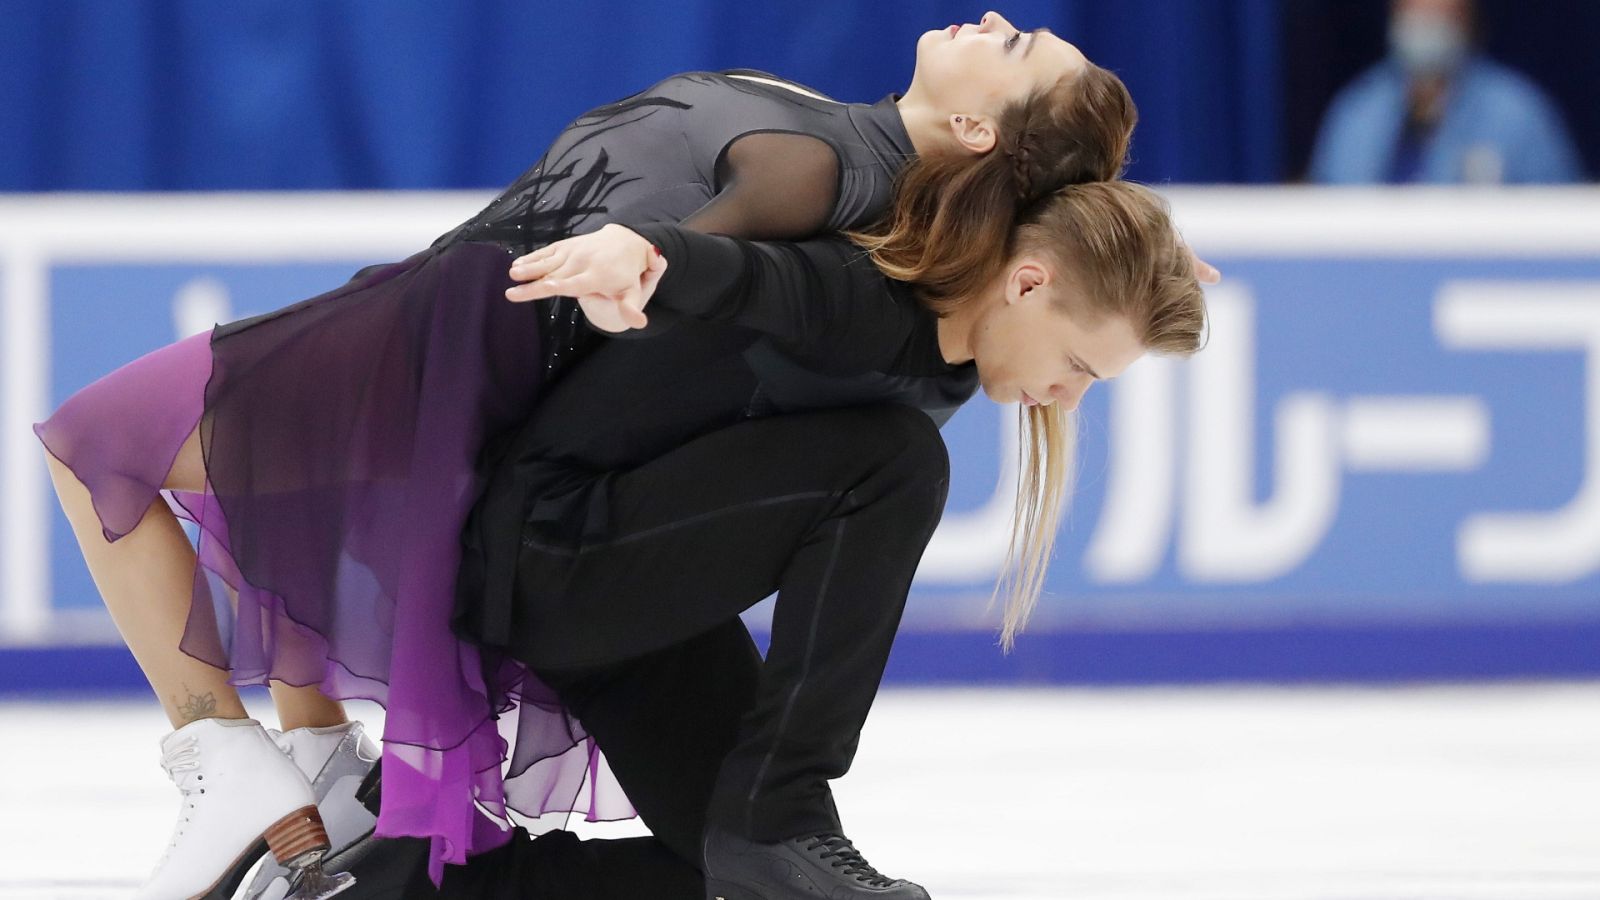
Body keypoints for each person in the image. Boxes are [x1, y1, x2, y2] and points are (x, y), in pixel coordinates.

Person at [36, 12, 1197, 899]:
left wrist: (647, 257)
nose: (994, 22)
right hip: (470, 360)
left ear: (981, 131)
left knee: (105, 449)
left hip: (493, 382)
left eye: (1019, 47)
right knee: (156, 464)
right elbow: (758, 281)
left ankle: (301, 797)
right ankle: (289, 759)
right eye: (1081, 370)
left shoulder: (852, 221)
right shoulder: (862, 213)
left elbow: (752, 277)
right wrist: (650, 258)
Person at [325, 177, 1209, 900]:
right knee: (896, 462)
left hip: (634, 594)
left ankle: (404, 888)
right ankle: (778, 810)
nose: (1068, 398)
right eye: (1081, 367)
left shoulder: (961, 348)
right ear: (1027, 283)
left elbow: (1050, 164)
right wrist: (646, 251)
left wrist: (1142, 242)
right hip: (542, 547)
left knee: (739, 883)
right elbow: (741, 274)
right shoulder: (865, 290)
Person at [1310, 0, 1584, 184]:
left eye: (1439, 14)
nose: (1426, 20)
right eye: (1416, 10)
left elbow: (1562, 224)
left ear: (1466, 19)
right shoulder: (1357, 111)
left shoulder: (1518, 114)